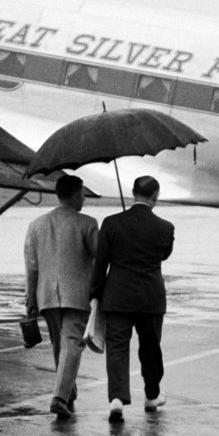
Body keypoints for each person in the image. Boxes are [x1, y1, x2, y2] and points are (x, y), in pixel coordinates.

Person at [90, 175, 175, 422]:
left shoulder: (111, 223)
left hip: (117, 297)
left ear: (133, 193)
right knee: (150, 347)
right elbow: (165, 255)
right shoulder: (165, 227)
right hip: (151, 298)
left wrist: (95, 293)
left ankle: (117, 398)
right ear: (155, 196)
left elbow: (101, 263)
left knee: (117, 347)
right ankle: (151, 395)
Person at [23, 174, 98, 420]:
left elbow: (31, 267)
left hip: (46, 295)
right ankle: (59, 397)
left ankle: (67, 389)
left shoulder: (36, 225)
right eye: (84, 194)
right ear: (76, 194)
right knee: (73, 344)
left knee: (60, 345)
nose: (84, 199)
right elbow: (98, 256)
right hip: (76, 294)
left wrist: (31, 299)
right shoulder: (87, 223)